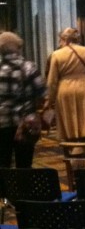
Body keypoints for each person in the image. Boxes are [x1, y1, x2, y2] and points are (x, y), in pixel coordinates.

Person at [46, 27, 85, 141]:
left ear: (63, 39)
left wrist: (49, 99)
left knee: (69, 121)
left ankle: (72, 146)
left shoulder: (56, 54)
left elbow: (52, 81)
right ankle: (82, 144)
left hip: (64, 89)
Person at [0, 32, 47, 168]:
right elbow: (42, 92)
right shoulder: (28, 67)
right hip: (26, 123)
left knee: (3, 163)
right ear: (17, 48)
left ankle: (5, 189)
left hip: (2, 123)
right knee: (24, 164)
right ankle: (24, 188)